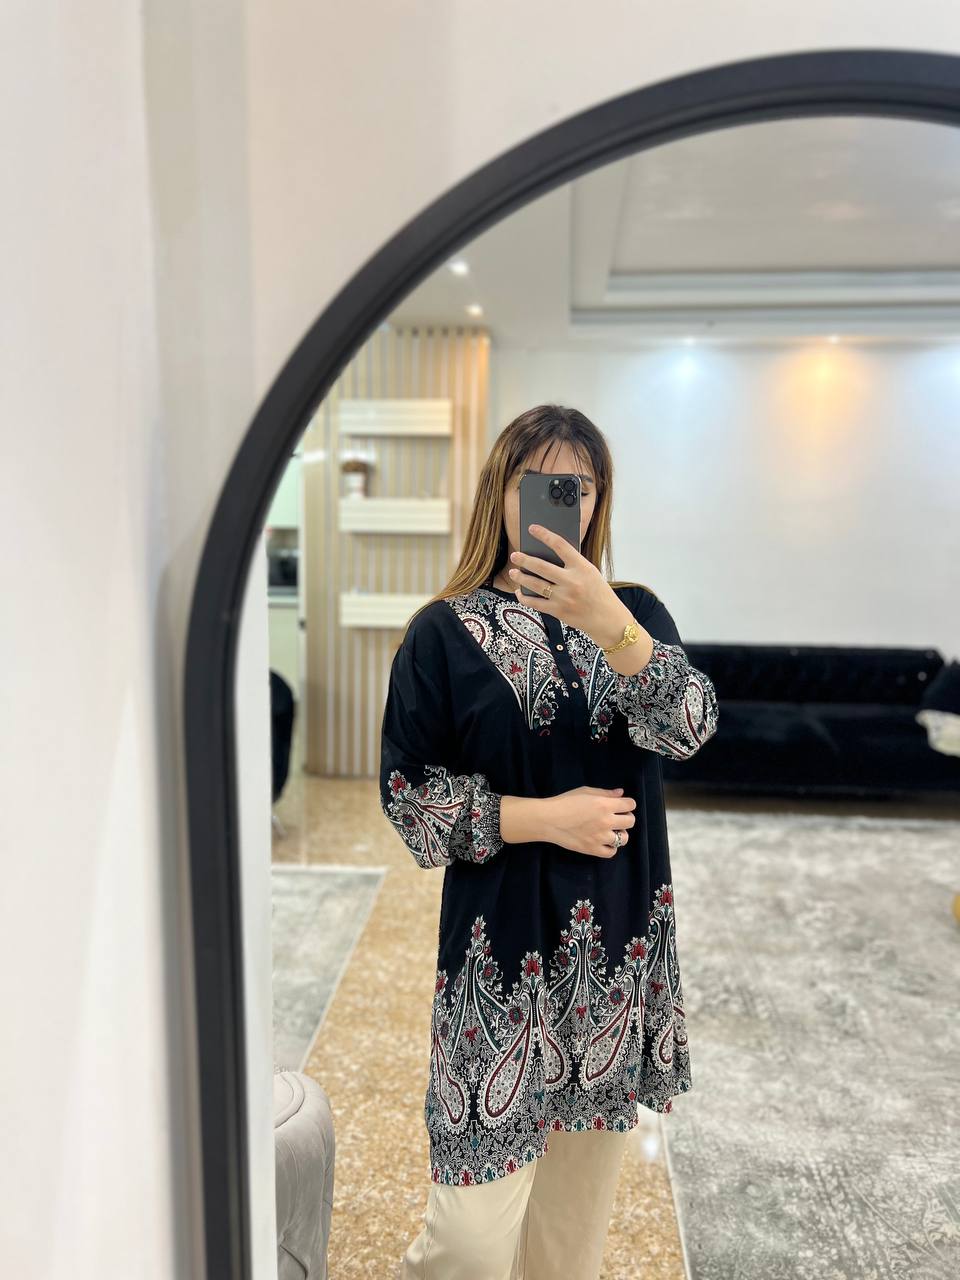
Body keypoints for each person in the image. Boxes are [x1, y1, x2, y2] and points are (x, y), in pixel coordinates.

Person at [379, 404, 719, 1279]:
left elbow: (690, 727)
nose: (561, 500)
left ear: (599, 501)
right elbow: (408, 796)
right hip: (497, 964)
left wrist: (611, 623)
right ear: (501, 491)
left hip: (612, 967)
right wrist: (540, 817)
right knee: (468, 1241)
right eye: (539, 483)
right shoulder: (442, 632)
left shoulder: (637, 613)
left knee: (566, 1247)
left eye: (581, 485)